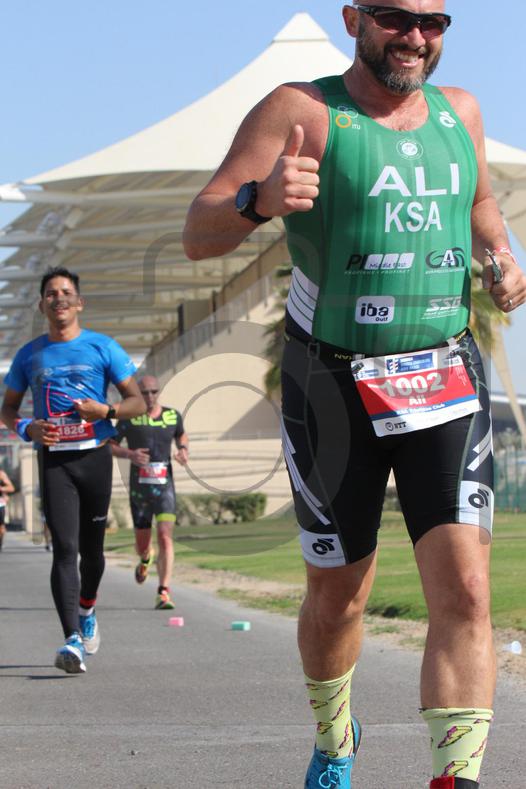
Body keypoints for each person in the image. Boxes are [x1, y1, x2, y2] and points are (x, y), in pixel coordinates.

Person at [183, 2, 526, 787]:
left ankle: (455, 777)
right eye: (395, 18)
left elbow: (479, 202)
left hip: (442, 373)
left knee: (468, 588)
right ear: (353, 19)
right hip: (331, 383)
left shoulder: (461, 112)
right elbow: (198, 231)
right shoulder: (301, 110)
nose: (415, 37)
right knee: (339, 596)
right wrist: (258, 200)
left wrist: (503, 253)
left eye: (434, 23)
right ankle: (336, 738)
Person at [1, 266, 145, 674]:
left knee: (92, 552)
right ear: (41, 305)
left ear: (79, 302)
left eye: (66, 292)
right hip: (55, 460)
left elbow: (137, 401)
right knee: (64, 549)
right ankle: (72, 640)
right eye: (51, 293)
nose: (58, 298)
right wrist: (27, 428)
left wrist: (106, 410)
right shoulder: (30, 354)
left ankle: (87, 608)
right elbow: (8, 408)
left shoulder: (102, 346)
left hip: (94, 456)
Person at [110, 375, 189, 610]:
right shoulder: (129, 418)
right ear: (138, 393)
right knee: (142, 544)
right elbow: (110, 444)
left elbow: (181, 434)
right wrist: (130, 454)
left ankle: (163, 592)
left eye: (154, 392)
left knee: (165, 536)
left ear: (159, 392)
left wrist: (183, 449)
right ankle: (145, 558)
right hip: (139, 491)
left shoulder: (172, 415)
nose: (150, 396)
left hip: (165, 488)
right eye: (144, 392)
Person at [0, 467, 15, 551]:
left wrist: (2, 489)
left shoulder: (1, 474)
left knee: (1, 528)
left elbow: (11, 488)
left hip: (0, 505)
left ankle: (0, 542)